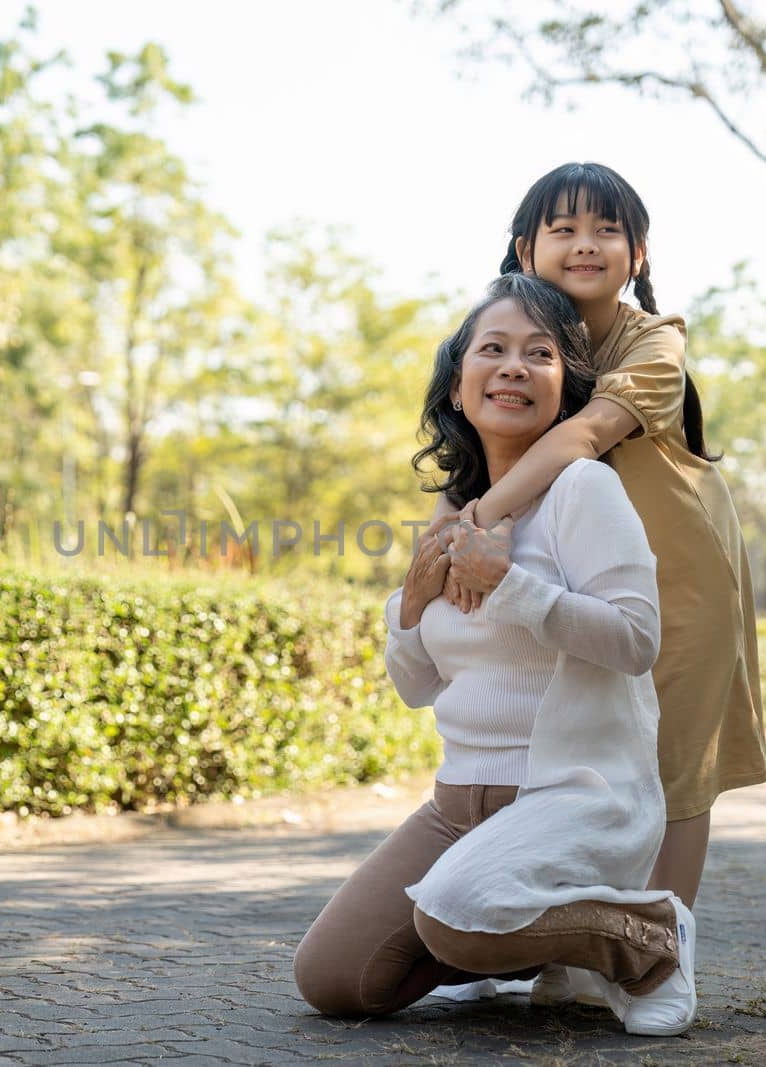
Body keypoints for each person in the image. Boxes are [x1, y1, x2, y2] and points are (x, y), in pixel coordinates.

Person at [293, 273, 698, 1037]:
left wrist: (508, 585)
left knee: (457, 919)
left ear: (565, 392)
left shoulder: (584, 490)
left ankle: (650, 938)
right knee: (334, 979)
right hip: (457, 803)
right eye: (494, 349)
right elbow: (418, 685)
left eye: (539, 354)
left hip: (569, 792)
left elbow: (637, 642)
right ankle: (492, 946)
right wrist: (409, 611)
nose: (514, 365)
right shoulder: (455, 507)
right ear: (455, 386)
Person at [440, 163, 766, 913]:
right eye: (564, 229)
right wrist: (447, 533)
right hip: (579, 570)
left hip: (683, 569)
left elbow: (585, 434)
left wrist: (483, 518)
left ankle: (665, 947)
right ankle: (585, 938)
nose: (584, 244)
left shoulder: (654, 341)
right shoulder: (514, 331)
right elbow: (473, 436)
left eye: (606, 230)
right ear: (526, 248)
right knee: (580, 759)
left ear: (638, 253)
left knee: (675, 763)